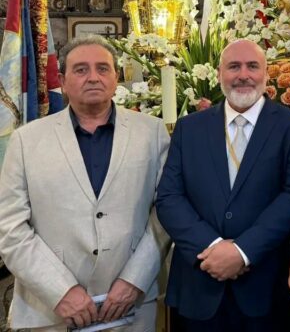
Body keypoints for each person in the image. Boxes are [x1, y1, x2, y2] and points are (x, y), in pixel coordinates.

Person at [0, 34, 170, 331]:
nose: (93, 77)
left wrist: (135, 279)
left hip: (131, 307)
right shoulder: (26, 140)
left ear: (116, 77)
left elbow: (165, 213)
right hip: (50, 311)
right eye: (81, 70)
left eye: (103, 69)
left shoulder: (152, 133)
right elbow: (10, 228)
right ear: (63, 81)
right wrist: (61, 290)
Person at [155, 38, 290, 331]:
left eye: (253, 66)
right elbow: (169, 197)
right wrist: (213, 246)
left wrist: (242, 251)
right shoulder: (189, 128)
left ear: (266, 74)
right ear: (219, 74)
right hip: (199, 286)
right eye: (234, 66)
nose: (243, 74)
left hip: (267, 287)